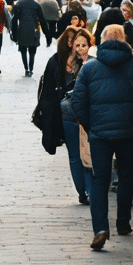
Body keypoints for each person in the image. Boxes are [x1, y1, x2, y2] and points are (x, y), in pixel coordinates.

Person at [70, 24, 133, 250]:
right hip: (128, 132)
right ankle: (123, 223)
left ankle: (100, 228)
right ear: (124, 40)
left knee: (100, 179)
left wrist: (91, 126)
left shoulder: (89, 68)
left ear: (102, 40)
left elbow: (77, 103)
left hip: (100, 134)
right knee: (126, 176)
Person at [34, 26, 96, 204]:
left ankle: (87, 191)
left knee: (81, 154)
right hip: (70, 113)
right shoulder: (60, 62)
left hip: (78, 113)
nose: (76, 48)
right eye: (75, 44)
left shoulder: (85, 62)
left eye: (80, 44)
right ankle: (84, 192)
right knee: (77, 155)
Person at [10, 0, 52, 77]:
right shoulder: (36, 5)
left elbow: (14, 21)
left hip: (22, 30)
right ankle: (31, 68)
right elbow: (42, 21)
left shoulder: (18, 5)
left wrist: (14, 35)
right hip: (34, 30)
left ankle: (26, 68)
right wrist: (48, 36)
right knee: (32, 51)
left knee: (23, 50)